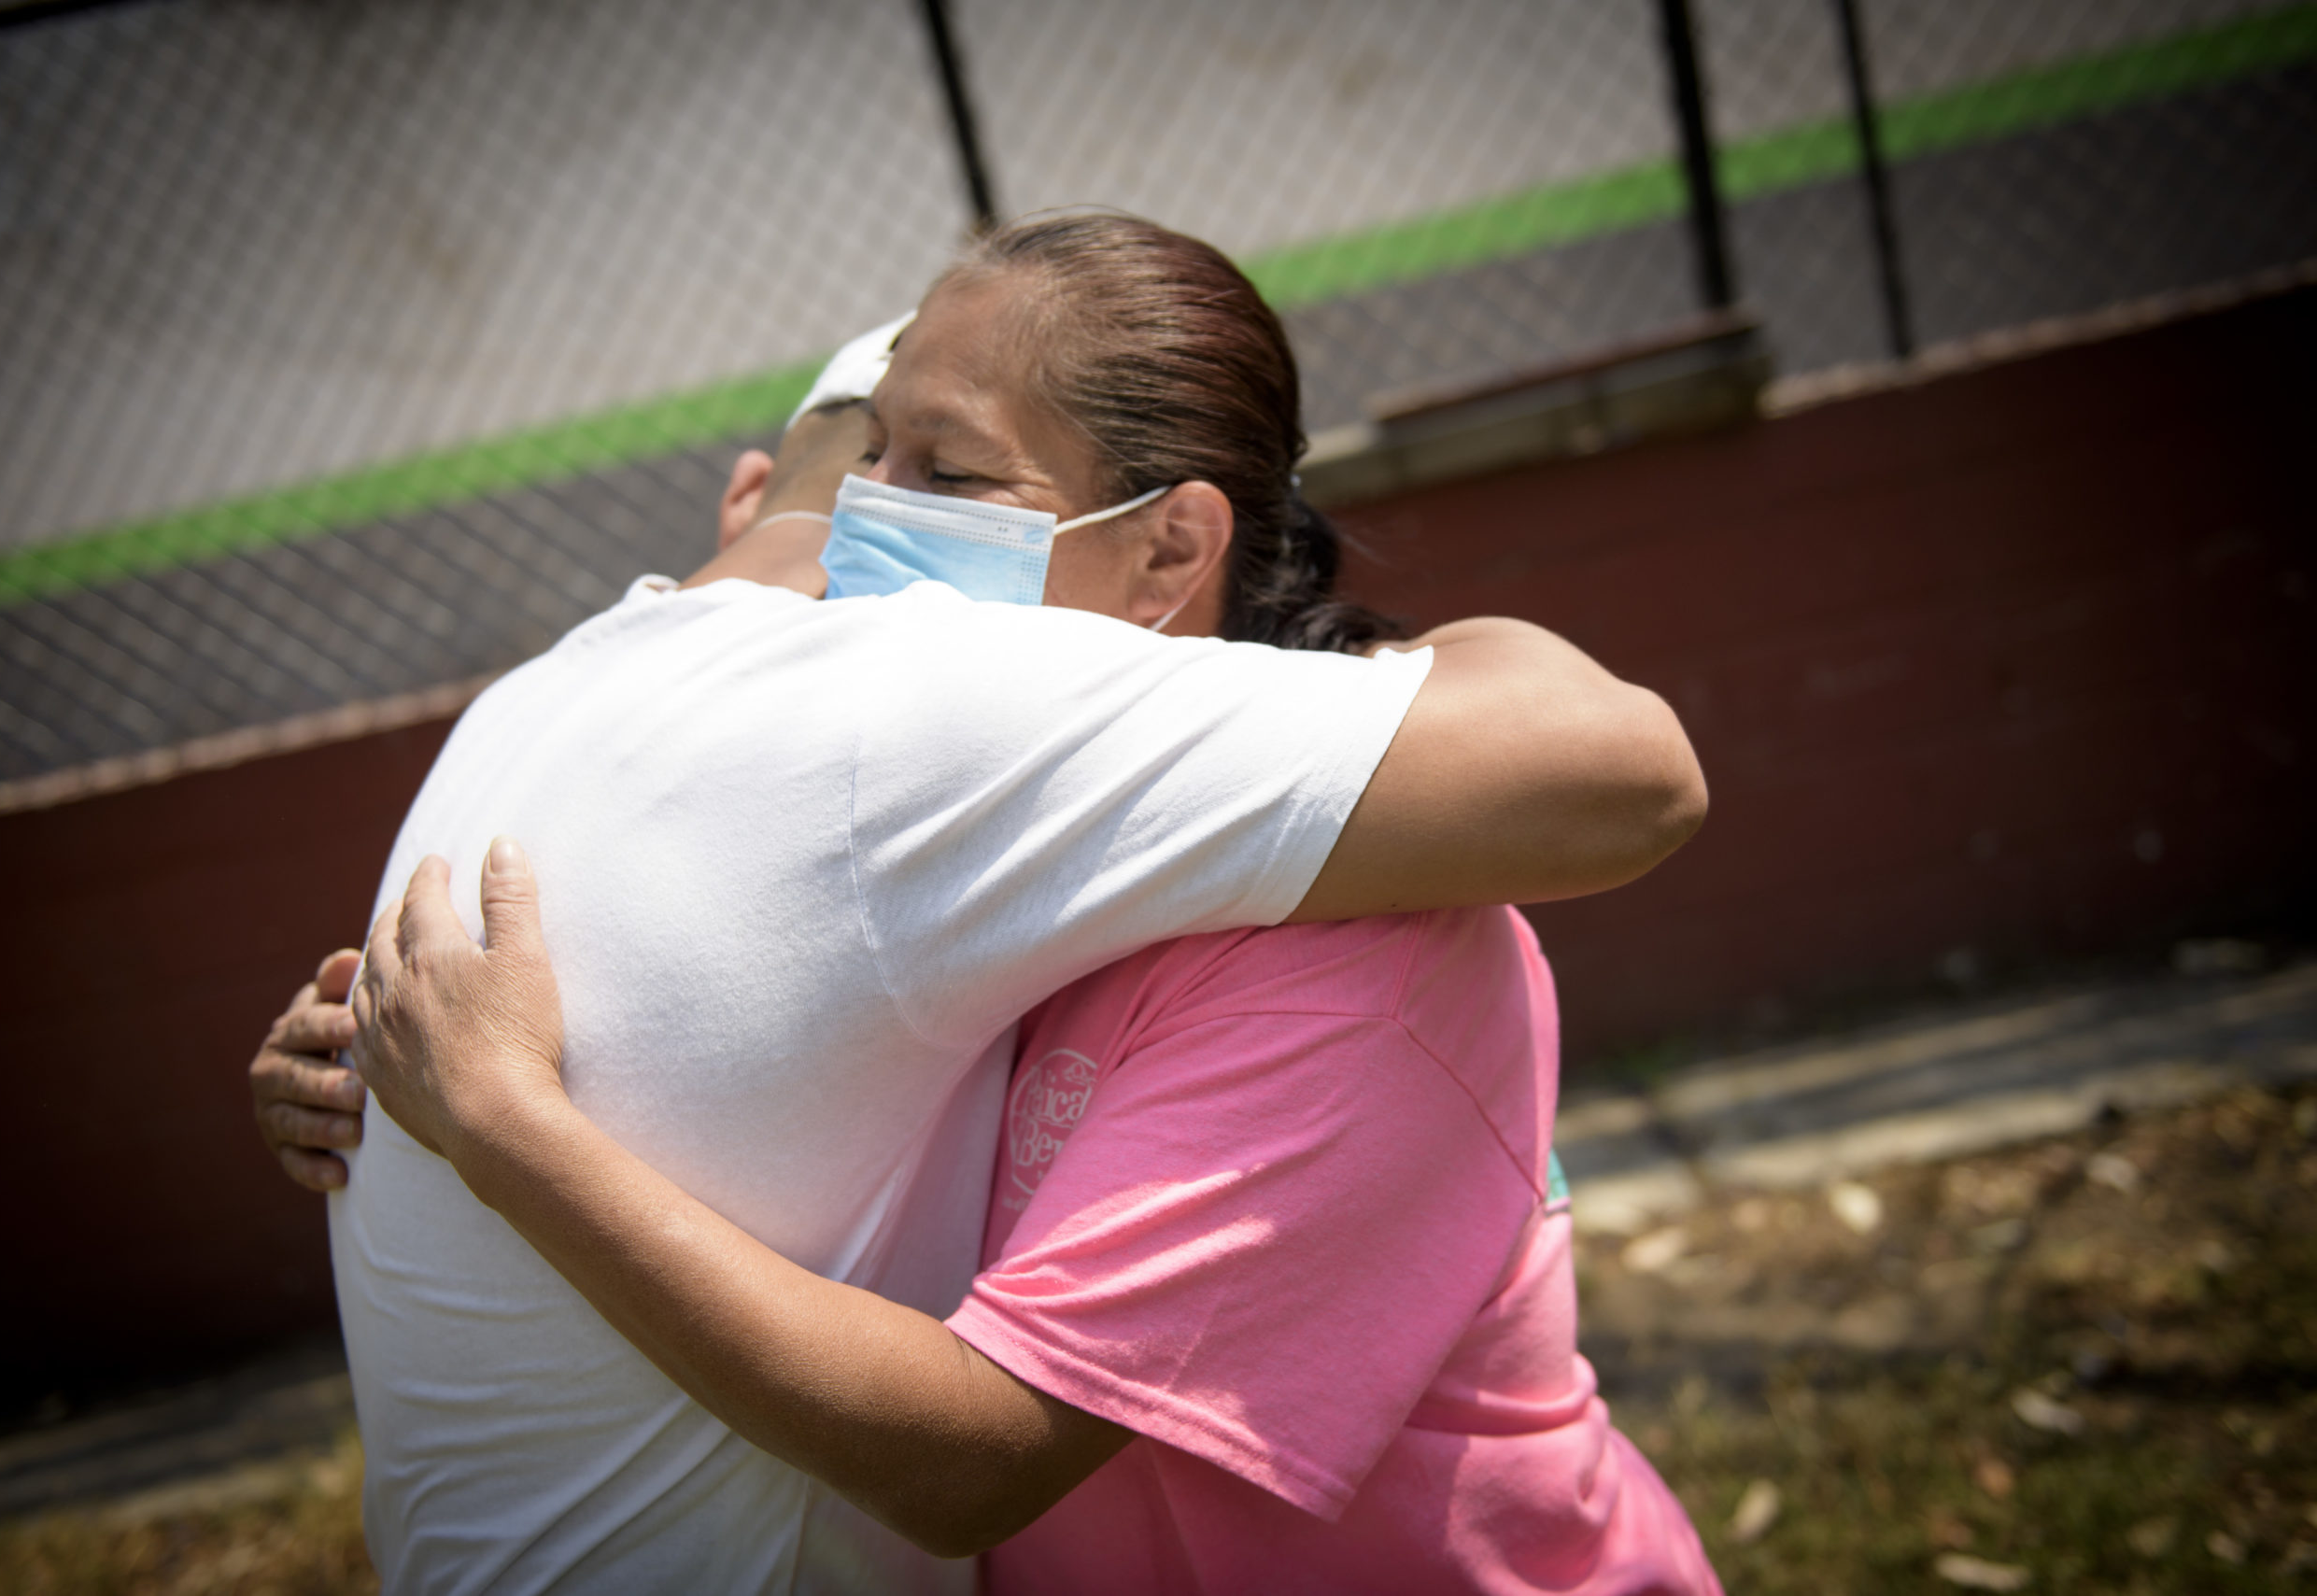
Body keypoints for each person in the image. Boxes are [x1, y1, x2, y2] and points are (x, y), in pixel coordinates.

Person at [260, 213, 1709, 1593]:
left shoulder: (1348, 954)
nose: (865, 531)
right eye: (871, 462)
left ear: (1168, 551)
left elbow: (973, 1457)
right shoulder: (1000, 845)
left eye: (952, 479)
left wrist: (507, 1122)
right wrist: (378, 1061)